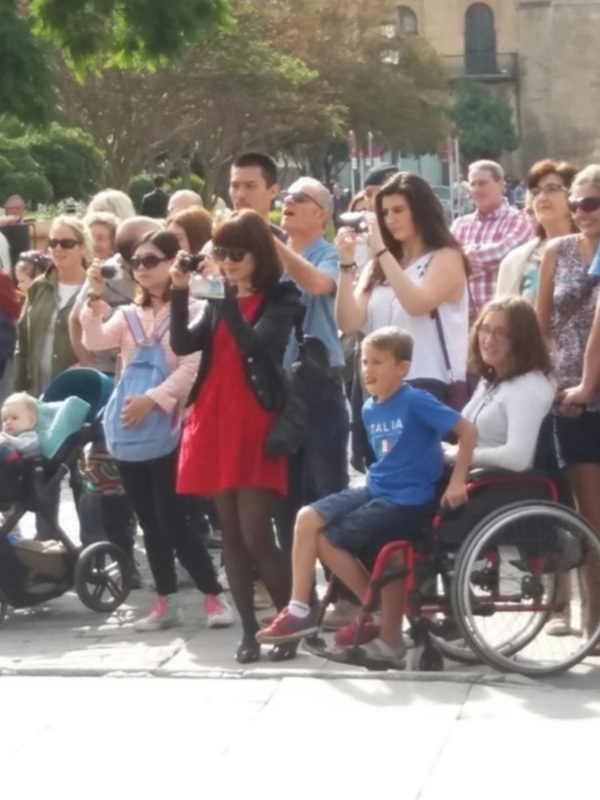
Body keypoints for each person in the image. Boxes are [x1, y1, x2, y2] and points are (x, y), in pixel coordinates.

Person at [258, 326, 477, 670]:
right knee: (306, 518)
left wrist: (458, 480)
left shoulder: (415, 401)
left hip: (409, 498)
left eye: (377, 362)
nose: (367, 370)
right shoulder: (369, 408)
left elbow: (467, 430)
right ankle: (299, 608)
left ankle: (370, 609)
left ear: (402, 368)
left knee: (328, 540)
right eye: (364, 363)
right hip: (377, 488)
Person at [81, 229, 233, 632]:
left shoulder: (194, 307)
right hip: (131, 431)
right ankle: (165, 599)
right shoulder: (128, 315)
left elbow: (192, 367)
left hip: (172, 427)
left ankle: (213, 593)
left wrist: (153, 399)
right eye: (136, 262)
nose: (142, 268)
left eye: (151, 260)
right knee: (148, 520)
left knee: (172, 517)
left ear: (172, 262)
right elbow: (94, 340)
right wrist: (93, 296)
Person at [170, 209, 303, 663]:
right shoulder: (218, 296)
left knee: (256, 533)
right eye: (221, 251)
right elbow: (183, 344)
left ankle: (289, 624)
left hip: (253, 421)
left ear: (259, 254)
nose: (226, 261)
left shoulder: (281, 296)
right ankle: (249, 631)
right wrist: (178, 291)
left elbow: (255, 345)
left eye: (236, 253)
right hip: (213, 416)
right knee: (231, 534)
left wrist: (223, 295)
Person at [335, 172, 469, 406]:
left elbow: (416, 304)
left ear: (421, 211)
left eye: (398, 210)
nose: (390, 220)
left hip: (427, 384)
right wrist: (346, 265)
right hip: (379, 389)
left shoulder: (446, 256)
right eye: (385, 213)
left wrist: (381, 251)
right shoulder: (378, 265)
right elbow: (348, 322)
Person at [537, 164, 600, 645]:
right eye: (576, 203)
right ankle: (592, 620)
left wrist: (586, 383)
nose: (582, 212)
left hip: (587, 389)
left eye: (591, 203)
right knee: (588, 515)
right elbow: (541, 323)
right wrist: (549, 378)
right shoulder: (555, 251)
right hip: (571, 399)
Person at [273, 178, 350, 555]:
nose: (287, 202)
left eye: (299, 198)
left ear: (321, 214)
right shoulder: (270, 256)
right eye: (285, 196)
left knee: (328, 490)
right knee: (285, 496)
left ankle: (344, 582)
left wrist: (275, 246)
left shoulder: (329, 254)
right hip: (278, 388)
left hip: (319, 387)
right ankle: (295, 582)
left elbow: (320, 284)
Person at [444, 297, 555, 471]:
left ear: (522, 338)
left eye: (500, 332)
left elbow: (518, 459)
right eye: (485, 329)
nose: (489, 340)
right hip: (468, 476)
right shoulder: (490, 380)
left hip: (500, 483)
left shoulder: (527, 387)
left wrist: (458, 454)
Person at [14, 215, 89, 397]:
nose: (58, 248)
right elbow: (22, 342)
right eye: (53, 242)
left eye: (67, 243)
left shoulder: (95, 290)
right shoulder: (39, 287)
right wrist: (18, 390)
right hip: (36, 393)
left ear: (83, 247)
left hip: (78, 394)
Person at [451, 160, 532, 315]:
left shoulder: (519, 220)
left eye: (482, 183)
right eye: (472, 184)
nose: (476, 189)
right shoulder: (460, 225)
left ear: (501, 185)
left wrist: (461, 258)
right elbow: (445, 261)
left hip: (504, 318)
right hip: (464, 319)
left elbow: (502, 253)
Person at [496, 160, 577, 302]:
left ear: (573, 196)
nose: (542, 197)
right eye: (536, 192)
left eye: (552, 189)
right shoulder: (515, 261)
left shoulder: (592, 252)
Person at [229, 152, 281, 235]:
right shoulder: (217, 240)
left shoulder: (288, 241)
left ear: (273, 191)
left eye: (250, 186)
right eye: (235, 186)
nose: (240, 195)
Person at [0, 392, 41, 461]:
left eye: (14, 418)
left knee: (5, 448)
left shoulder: (30, 435)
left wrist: (6, 439)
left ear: (32, 421)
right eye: (4, 419)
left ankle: (13, 458)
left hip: (26, 464)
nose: (8, 422)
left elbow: (24, 446)